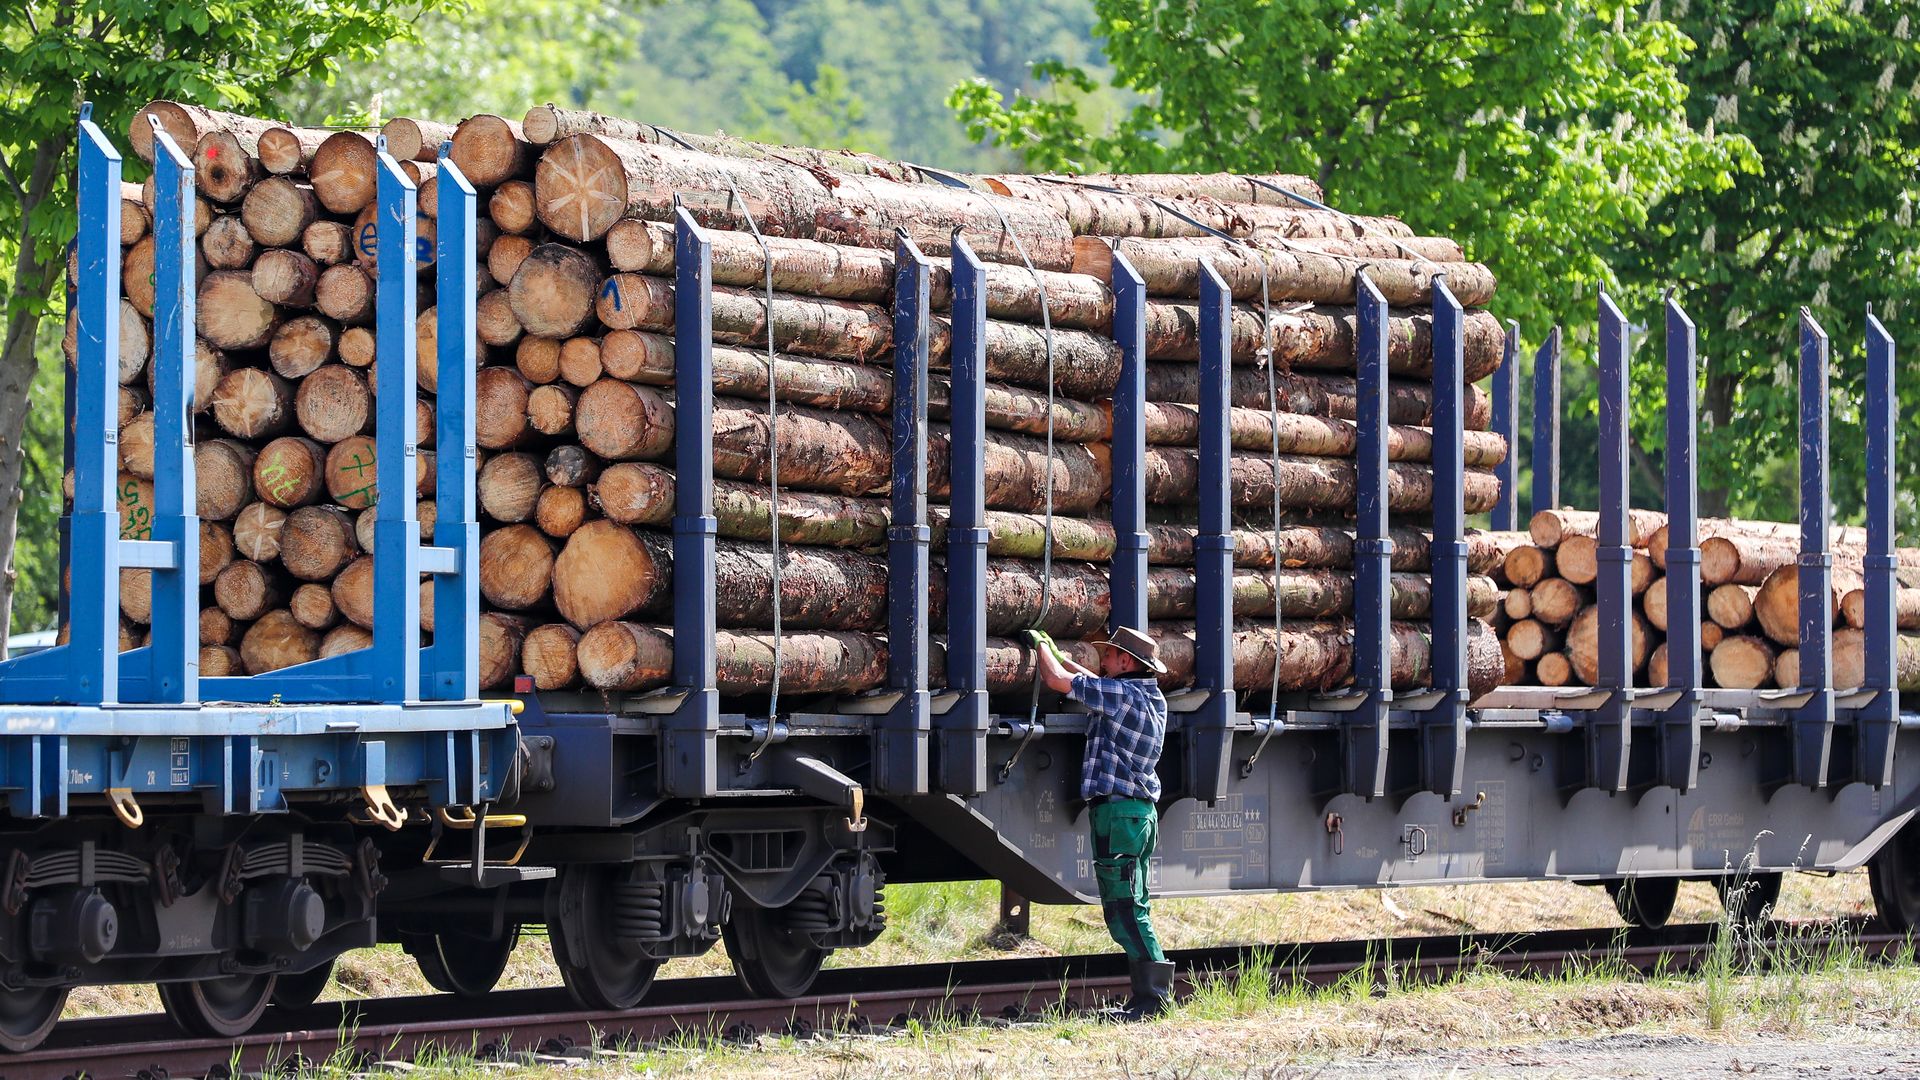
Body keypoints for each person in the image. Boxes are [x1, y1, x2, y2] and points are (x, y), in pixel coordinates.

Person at [1029, 624, 1174, 1021]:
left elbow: (1059, 681)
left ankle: (1154, 1000)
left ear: (1126, 662)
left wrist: (1040, 646)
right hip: (1135, 814)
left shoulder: (1121, 695)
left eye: (1108, 655)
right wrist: (1060, 655)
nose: (1102, 660)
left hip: (1120, 816)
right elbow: (1085, 679)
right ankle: (1148, 997)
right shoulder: (1144, 697)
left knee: (1125, 911)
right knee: (1132, 906)